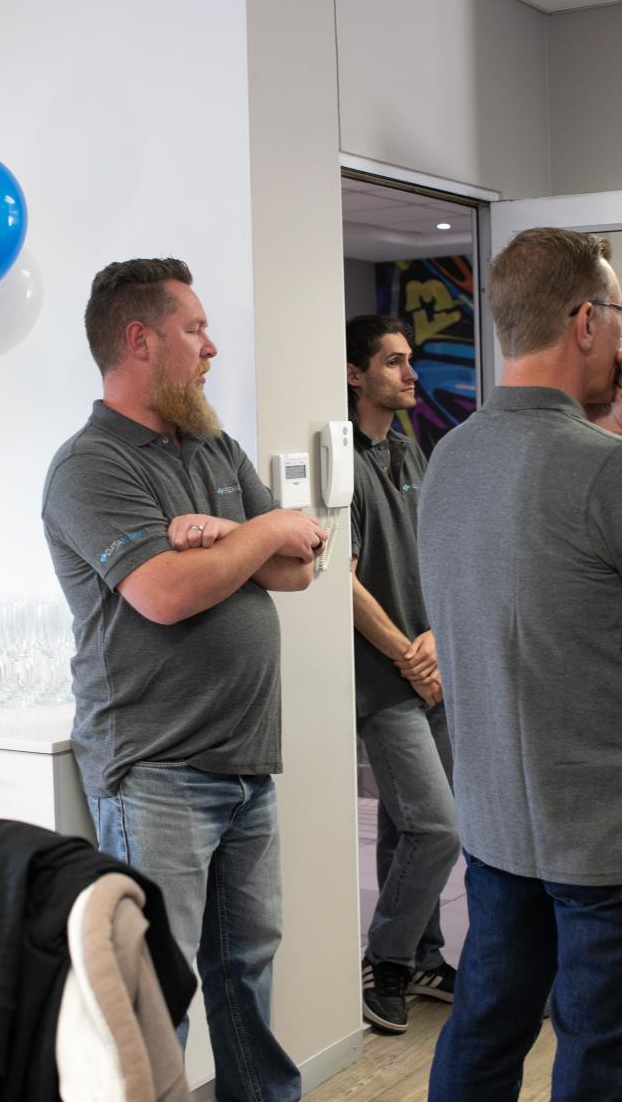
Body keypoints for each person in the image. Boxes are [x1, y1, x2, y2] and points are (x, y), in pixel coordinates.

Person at [42, 257, 327, 1102]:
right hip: (155, 771)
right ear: (140, 341)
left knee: (247, 975)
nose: (211, 347)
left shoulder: (212, 445)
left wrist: (226, 537)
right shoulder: (90, 465)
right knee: (153, 997)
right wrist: (261, 530)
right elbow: (163, 594)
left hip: (245, 763)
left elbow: (300, 567)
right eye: (194, 329)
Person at [418, 227, 622, 1101]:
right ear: (585, 320)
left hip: (496, 822)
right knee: (600, 1054)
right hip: (602, 840)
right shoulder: (602, 471)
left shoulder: (449, 458)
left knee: (486, 1031)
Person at [346, 316, 460, 1035]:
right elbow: (343, 577)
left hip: (432, 666)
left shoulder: (409, 449)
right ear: (355, 374)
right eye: (393, 362)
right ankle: (385, 961)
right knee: (438, 827)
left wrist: (437, 641)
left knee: (404, 824)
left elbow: (438, 555)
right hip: (387, 681)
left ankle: (422, 954)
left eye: (409, 359)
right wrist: (409, 657)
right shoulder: (343, 457)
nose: (410, 373)